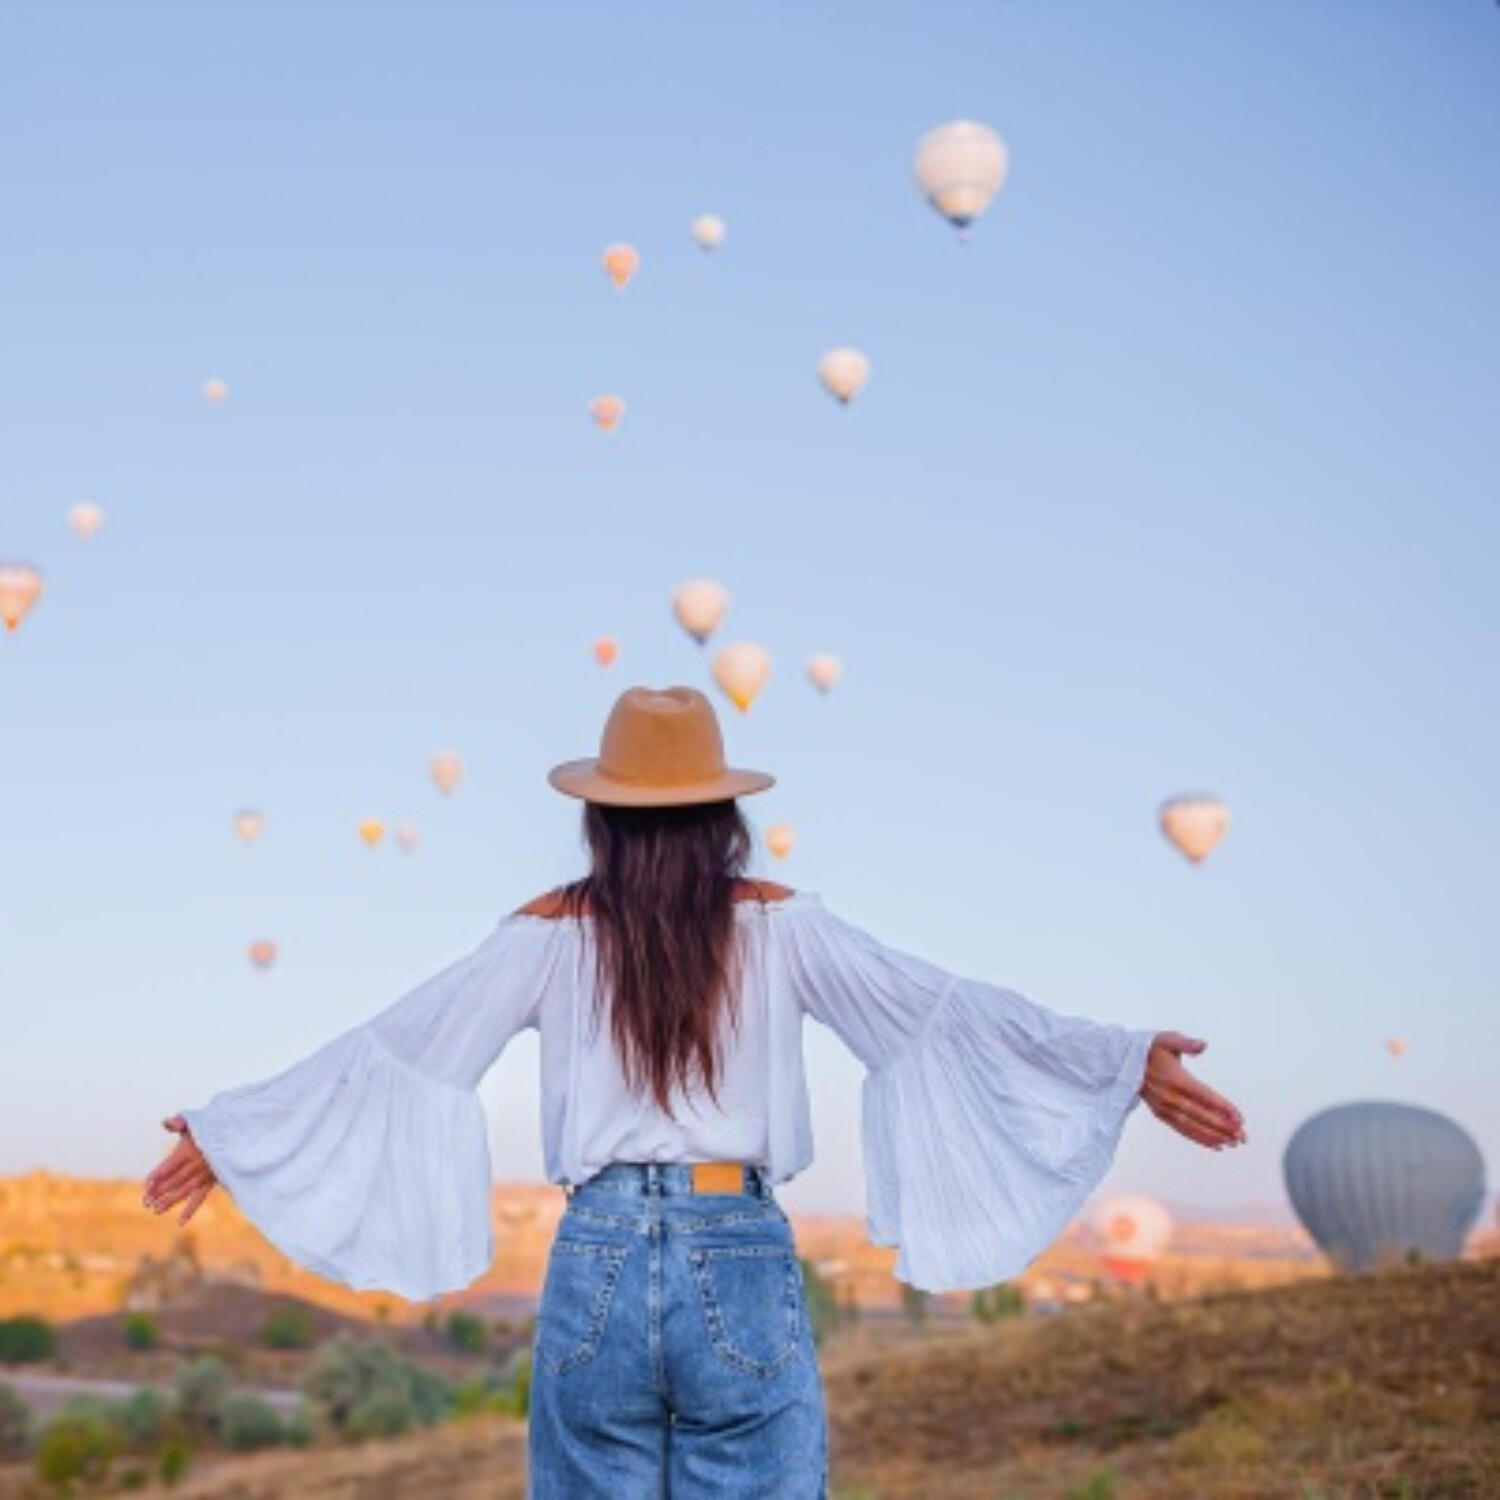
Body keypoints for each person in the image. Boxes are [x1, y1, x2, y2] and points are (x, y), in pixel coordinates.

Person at [141, 685, 1246, 1498]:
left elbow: (402, 1048)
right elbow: (938, 1012)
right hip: (739, 1245)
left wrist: (234, 1136)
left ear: (602, 814)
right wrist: (1117, 1061)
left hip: (597, 1250)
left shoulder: (544, 934)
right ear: (723, 814)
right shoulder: (785, 924)